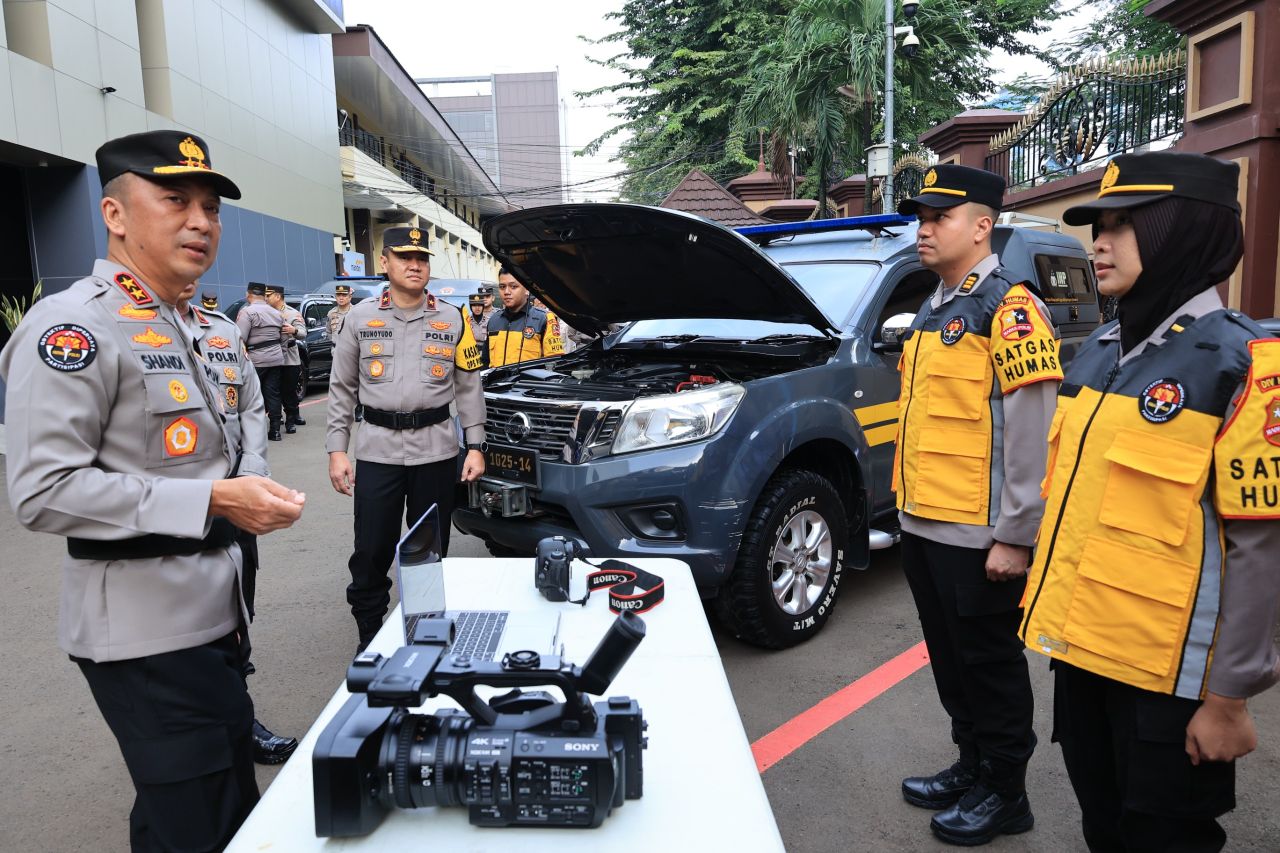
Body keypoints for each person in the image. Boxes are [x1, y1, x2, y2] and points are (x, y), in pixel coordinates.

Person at [0, 129, 306, 852]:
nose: (201, 221)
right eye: (175, 200)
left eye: (211, 207)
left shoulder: (200, 322)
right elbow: (43, 490)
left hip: (213, 608)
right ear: (114, 214)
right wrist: (214, 500)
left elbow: (245, 414)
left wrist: (246, 478)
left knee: (208, 804)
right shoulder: (75, 328)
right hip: (143, 631)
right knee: (207, 824)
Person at [1020, 151, 1280, 853]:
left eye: (1123, 224)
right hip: (1080, 658)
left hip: (1170, 686)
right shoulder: (1099, 352)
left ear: (1183, 231)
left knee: (1165, 839)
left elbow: (1259, 553)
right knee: (1103, 828)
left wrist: (1229, 697)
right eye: (1097, 224)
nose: (1098, 242)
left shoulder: (1245, 366)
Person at [892, 164, 1062, 845]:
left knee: (989, 663)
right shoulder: (937, 307)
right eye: (922, 217)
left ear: (983, 225)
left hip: (980, 533)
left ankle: (1006, 789)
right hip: (924, 522)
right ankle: (972, 763)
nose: (924, 228)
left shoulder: (1011, 308)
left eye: (940, 217)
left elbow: (1031, 429)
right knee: (951, 659)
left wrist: (1016, 533)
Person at [326, 226, 488, 651]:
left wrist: (475, 445)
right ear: (385, 263)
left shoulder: (452, 318)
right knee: (372, 548)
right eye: (404, 257)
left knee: (430, 549)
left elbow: (469, 387)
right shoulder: (359, 318)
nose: (415, 265)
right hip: (377, 450)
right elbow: (341, 388)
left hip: (437, 450)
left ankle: (425, 630)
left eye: (421, 258)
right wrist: (336, 451)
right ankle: (370, 634)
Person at [176, 284, 298, 766]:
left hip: (236, 506)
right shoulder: (127, 329)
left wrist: (251, 473)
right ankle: (198, 732)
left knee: (238, 615)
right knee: (184, 634)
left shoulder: (223, 331)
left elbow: (251, 406)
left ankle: (239, 720)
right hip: (171, 515)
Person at [236, 281, 286, 441]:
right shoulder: (277, 313)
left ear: (247, 294)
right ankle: (276, 430)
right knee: (273, 394)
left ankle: (254, 432)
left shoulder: (247, 312)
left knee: (251, 396)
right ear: (265, 295)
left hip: (255, 360)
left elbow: (240, 338)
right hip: (276, 359)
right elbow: (284, 337)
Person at [486, 267, 564, 367]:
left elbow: (555, 364)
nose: (506, 292)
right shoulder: (494, 320)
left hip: (528, 383)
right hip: (497, 382)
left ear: (527, 289)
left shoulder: (544, 319)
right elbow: (485, 361)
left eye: (513, 286)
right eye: (502, 287)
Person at [265, 283, 306, 433]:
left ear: (277, 296)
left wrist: (293, 330)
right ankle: (277, 418)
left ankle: (291, 420)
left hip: (289, 357)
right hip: (271, 357)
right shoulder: (265, 313)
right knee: (273, 390)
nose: (266, 298)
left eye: (268, 295)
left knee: (289, 390)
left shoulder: (292, 313)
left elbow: (303, 332)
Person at [467, 292, 490, 367]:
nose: (477, 308)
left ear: (483, 306)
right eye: (474, 305)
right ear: (470, 307)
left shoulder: (489, 321)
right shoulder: (466, 321)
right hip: (470, 357)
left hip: (485, 357)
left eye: (480, 305)